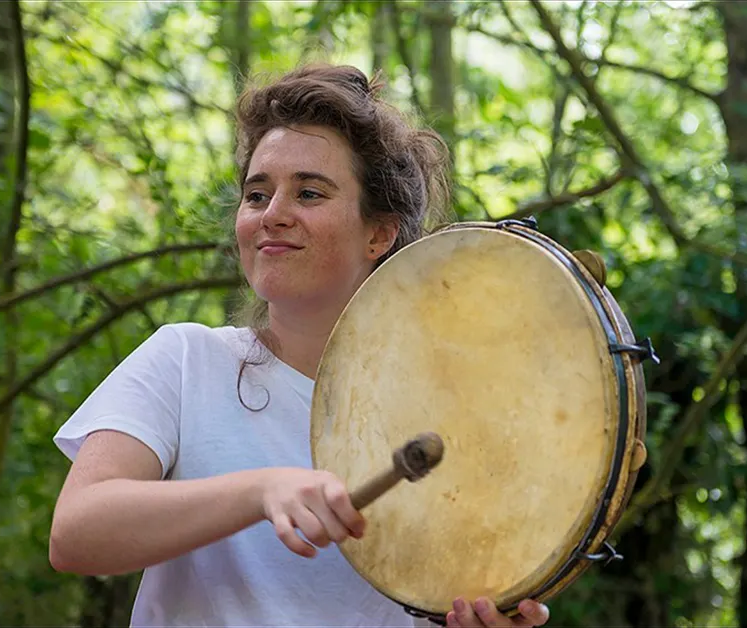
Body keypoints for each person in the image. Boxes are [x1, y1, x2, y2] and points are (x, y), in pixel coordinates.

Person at [48, 63, 552, 628]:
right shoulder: (187, 360)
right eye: (256, 194)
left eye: (308, 192)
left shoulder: (438, 425)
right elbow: (76, 534)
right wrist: (262, 489)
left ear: (378, 233)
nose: (273, 215)